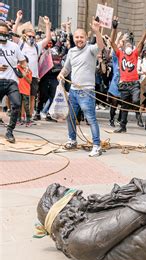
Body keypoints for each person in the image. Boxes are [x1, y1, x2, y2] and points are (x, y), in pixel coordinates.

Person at [57, 18, 105, 157]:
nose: (79, 39)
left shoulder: (91, 49)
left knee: (91, 119)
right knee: (70, 117)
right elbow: (67, 68)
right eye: (77, 37)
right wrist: (61, 74)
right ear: (74, 38)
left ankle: (97, 146)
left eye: (81, 37)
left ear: (86, 38)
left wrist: (97, 31)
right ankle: (72, 140)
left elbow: (101, 46)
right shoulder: (71, 51)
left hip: (87, 92)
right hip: (73, 91)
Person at [110, 17, 146, 133]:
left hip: (134, 84)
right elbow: (112, 42)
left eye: (130, 45)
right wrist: (114, 28)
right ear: (124, 47)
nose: (128, 46)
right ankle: (123, 126)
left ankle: (137, 113)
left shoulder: (134, 54)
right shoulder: (120, 54)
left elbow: (141, 42)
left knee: (134, 101)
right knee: (124, 107)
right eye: (126, 45)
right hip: (124, 84)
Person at [12, 10, 51, 121]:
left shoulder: (37, 46)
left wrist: (47, 24)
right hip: (22, 75)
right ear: (24, 36)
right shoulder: (20, 43)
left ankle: (30, 116)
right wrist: (18, 19)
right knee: (22, 97)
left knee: (32, 96)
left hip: (33, 76)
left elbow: (47, 38)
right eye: (30, 36)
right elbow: (13, 33)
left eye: (33, 37)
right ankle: (22, 116)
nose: (32, 38)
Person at [0, 21, 26, 143]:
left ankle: (9, 131)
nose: (3, 35)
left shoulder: (14, 46)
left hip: (12, 82)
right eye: (0, 32)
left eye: (5, 33)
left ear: (8, 33)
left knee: (16, 104)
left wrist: (25, 70)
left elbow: (23, 62)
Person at [17, 56, 32, 126]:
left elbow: (30, 82)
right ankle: (18, 119)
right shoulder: (17, 68)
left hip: (26, 90)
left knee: (26, 106)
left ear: (27, 62)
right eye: (21, 61)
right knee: (18, 105)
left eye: (25, 61)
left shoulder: (29, 71)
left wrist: (25, 75)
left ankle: (28, 120)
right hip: (18, 90)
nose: (23, 63)